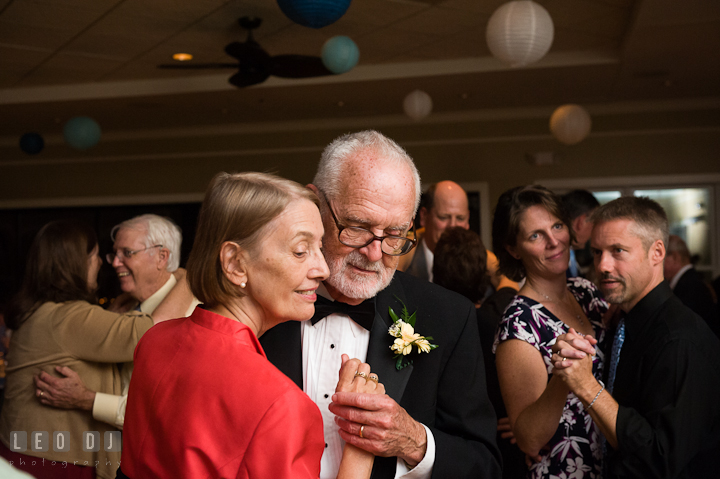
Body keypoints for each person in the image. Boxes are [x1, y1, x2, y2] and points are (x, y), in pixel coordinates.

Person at [260, 131, 502, 479]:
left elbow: (484, 466)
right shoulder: (258, 305)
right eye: (358, 227)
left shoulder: (450, 317)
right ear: (315, 204)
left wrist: (415, 442)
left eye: (394, 236)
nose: (374, 254)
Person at [119, 172, 384, 479]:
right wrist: (360, 448)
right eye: (300, 251)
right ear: (234, 263)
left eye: (319, 248)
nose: (323, 269)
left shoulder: (154, 341)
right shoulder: (282, 405)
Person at [0, 220, 193, 479]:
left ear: (162, 257)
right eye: (95, 255)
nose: (107, 263)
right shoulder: (68, 317)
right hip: (51, 462)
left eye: (127, 253)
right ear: (74, 264)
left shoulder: (47, 312)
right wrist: (188, 276)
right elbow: (151, 330)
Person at [551, 196, 720, 478]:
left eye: (618, 251)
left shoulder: (679, 340)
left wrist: (587, 387)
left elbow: (660, 459)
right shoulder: (624, 319)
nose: (603, 265)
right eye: (597, 252)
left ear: (657, 253)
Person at [33, 214, 199, 429]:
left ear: (162, 257)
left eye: (127, 253)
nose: (115, 263)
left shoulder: (193, 315)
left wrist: (88, 400)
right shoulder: (121, 310)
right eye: (115, 254)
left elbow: (170, 409)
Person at [491, 185, 608, 478]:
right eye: (535, 235)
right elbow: (529, 438)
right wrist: (563, 376)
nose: (554, 241)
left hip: (615, 461)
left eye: (557, 226)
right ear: (513, 249)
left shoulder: (587, 293)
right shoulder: (519, 323)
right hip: (565, 470)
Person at [432, 226, 525, 479]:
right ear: (483, 275)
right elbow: (507, 280)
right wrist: (487, 260)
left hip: (448, 448)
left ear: (435, 274)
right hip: (506, 443)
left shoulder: (432, 324)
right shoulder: (501, 314)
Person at [398, 180, 519, 292]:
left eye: (460, 218)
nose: (453, 226)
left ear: (468, 221)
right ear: (424, 216)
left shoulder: (480, 263)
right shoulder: (404, 257)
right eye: (443, 217)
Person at [663, 234, 719, 334]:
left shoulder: (690, 286)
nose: (659, 263)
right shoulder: (690, 282)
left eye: (662, 256)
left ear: (675, 257)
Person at [560, 190, 599, 278]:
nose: (593, 231)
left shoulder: (571, 257)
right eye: (593, 224)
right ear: (581, 222)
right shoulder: (557, 259)